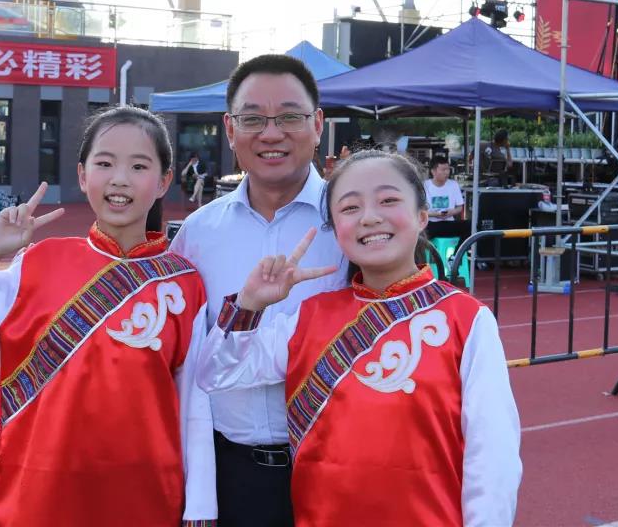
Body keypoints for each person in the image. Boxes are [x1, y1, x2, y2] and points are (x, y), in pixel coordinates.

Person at [197, 150, 522, 526]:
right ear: (336, 230)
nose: (369, 217)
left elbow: (492, 460)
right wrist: (250, 304)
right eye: (350, 208)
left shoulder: (467, 321)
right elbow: (216, 374)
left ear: (422, 215)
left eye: (388, 200)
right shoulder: (309, 318)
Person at [0, 106, 216, 526]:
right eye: (105, 163)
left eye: (139, 166)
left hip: (143, 496)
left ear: (163, 181)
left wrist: (200, 511)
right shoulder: (37, 263)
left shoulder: (184, 283)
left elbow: (195, 409)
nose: (120, 179)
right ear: (83, 176)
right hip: (39, 494)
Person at [171, 54, 347, 527]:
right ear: (230, 130)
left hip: (338, 468)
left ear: (318, 125)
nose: (271, 134)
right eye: (253, 119)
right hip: (232, 476)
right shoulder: (197, 234)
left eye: (289, 117)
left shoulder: (351, 223)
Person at [424, 155, 466, 224]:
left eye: (448, 169)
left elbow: (459, 207)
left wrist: (451, 212)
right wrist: (435, 214)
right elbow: (418, 211)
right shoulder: (424, 186)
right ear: (433, 171)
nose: (447, 172)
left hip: (449, 223)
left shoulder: (453, 185)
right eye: (443, 170)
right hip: (429, 223)